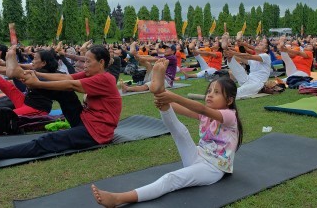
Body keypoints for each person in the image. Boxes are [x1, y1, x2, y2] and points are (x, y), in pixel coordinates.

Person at [91, 58, 242, 207]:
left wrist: (171, 97)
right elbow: (176, 107)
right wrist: (162, 98)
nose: (209, 95)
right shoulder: (207, 115)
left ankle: (119, 198)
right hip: (198, 155)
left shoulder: (230, 115)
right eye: (209, 91)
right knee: (180, 130)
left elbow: (200, 108)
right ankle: (159, 88)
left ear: (229, 100)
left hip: (213, 168)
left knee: (170, 179)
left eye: (216, 93)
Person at [0, 45, 122, 164]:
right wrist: (33, 75)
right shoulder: (92, 73)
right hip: (84, 120)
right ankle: (16, 72)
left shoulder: (105, 79)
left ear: (101, 63)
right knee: (63, 91)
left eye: (88, 61)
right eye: (84, 61)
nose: (84, 64)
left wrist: (38, 84)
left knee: (48, 140)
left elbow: (72, 85)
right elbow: (63, 78)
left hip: (97, 132)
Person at [223, 34, 271, 99]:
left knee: (238, 92)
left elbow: (248, 56)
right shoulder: (253, 60)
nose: (258, 44)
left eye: (261, 45)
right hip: (247, 79)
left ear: (265, 50)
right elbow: (240, 58)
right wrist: (228, 52)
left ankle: (221, 96)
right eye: (259, 44)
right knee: (232, 60)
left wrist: (233, 53)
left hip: (257, 83)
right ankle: (225, 48)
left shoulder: (265, 56)